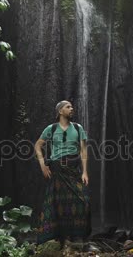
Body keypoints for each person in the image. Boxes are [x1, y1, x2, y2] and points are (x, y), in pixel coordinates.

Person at [34, 100, 91, 247]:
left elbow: (84, 151)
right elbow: (37, 146)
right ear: (60, 111)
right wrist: (42, 165)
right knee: (57, 203)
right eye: (68, 107)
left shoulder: (78, 128)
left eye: (72, 107)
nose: (72, 109)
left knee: (82, 201)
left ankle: (78, 237)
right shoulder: (51, 129)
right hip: (57, 169)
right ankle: (61, 239)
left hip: (73, 169)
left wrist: (84, 172)